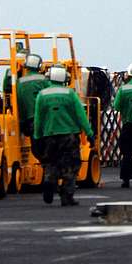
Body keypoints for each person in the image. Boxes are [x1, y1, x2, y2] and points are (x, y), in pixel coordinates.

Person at [34, 64, 94, 206]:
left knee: (51, 162)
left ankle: (49, 180)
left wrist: (37, 136)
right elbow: (81, 116)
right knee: (71, 165)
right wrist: (89, 133)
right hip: (69, 135)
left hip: (49, 134)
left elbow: (38, 118)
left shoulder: (42, 95)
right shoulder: (70, 94)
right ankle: (67, 196)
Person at [15, 53, 50, 161]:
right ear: (39, 66)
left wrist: (22, 123)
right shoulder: (43, 80)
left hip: (29, 122)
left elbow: (19, 103)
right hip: (44, 121)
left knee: (37, 150)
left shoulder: (19, 82)